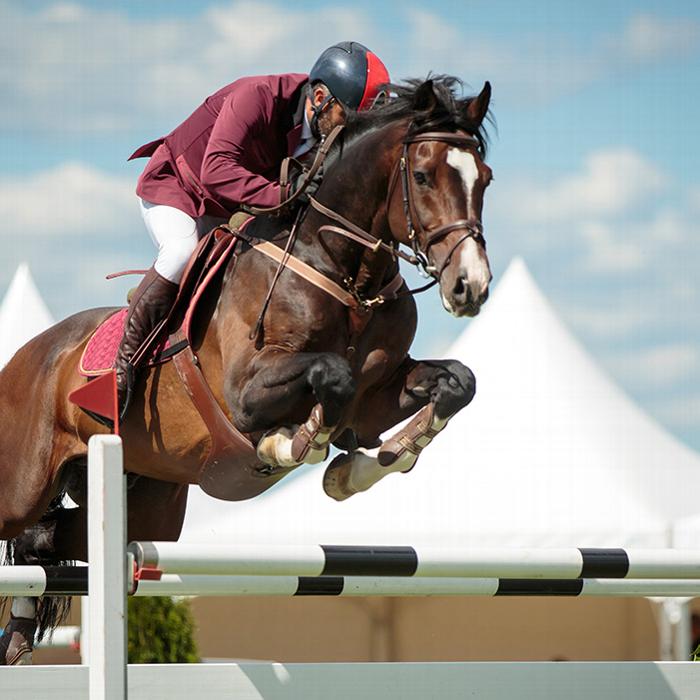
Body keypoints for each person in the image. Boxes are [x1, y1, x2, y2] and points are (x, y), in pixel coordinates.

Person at [117, 41, 390, 419]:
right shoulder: (257, 97)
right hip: (179, 189)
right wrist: (284, 194)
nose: (350, 133)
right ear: (322, 97)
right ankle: (123, 367)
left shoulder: (325, 133)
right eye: (349, 118)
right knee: (181, 251)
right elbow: (215, 172)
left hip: (234, 208)